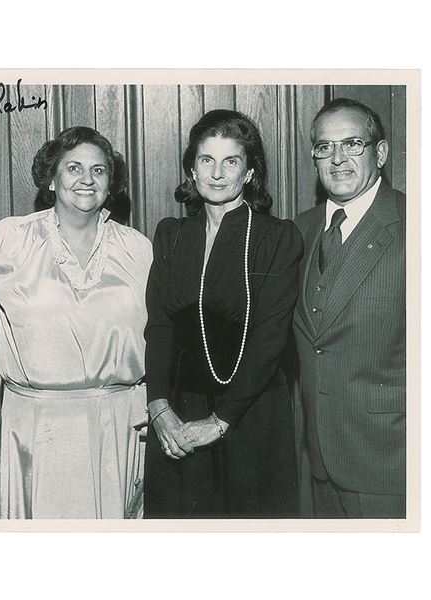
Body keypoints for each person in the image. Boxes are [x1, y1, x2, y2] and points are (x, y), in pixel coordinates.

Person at [0, 126, 152, 519]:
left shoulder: (137, 249)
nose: (87, 179)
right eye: (74, 168)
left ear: (111, 184)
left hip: (118, 425)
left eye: (98, 170)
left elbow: (161, 338)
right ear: (51, 179)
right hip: (37, 427)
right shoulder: (10, 241)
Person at [143, 109, 302, 518]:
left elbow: (270, 339)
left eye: (231, 161)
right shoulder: (171, 235)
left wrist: (219, 421)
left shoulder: (276, 237)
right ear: (191, 170)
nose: (217, 173)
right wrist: (158, 408)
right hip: (177, 415)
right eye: (206, 160)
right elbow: (159, 327)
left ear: (249, 172)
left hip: (250, 412)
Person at [293, 98, 406, 518]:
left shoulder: (414, 225)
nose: (337, 158)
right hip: (315, 461)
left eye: (353, 144)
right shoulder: (300, 230)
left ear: (381, 153)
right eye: (325, 147)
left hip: (391, 461)